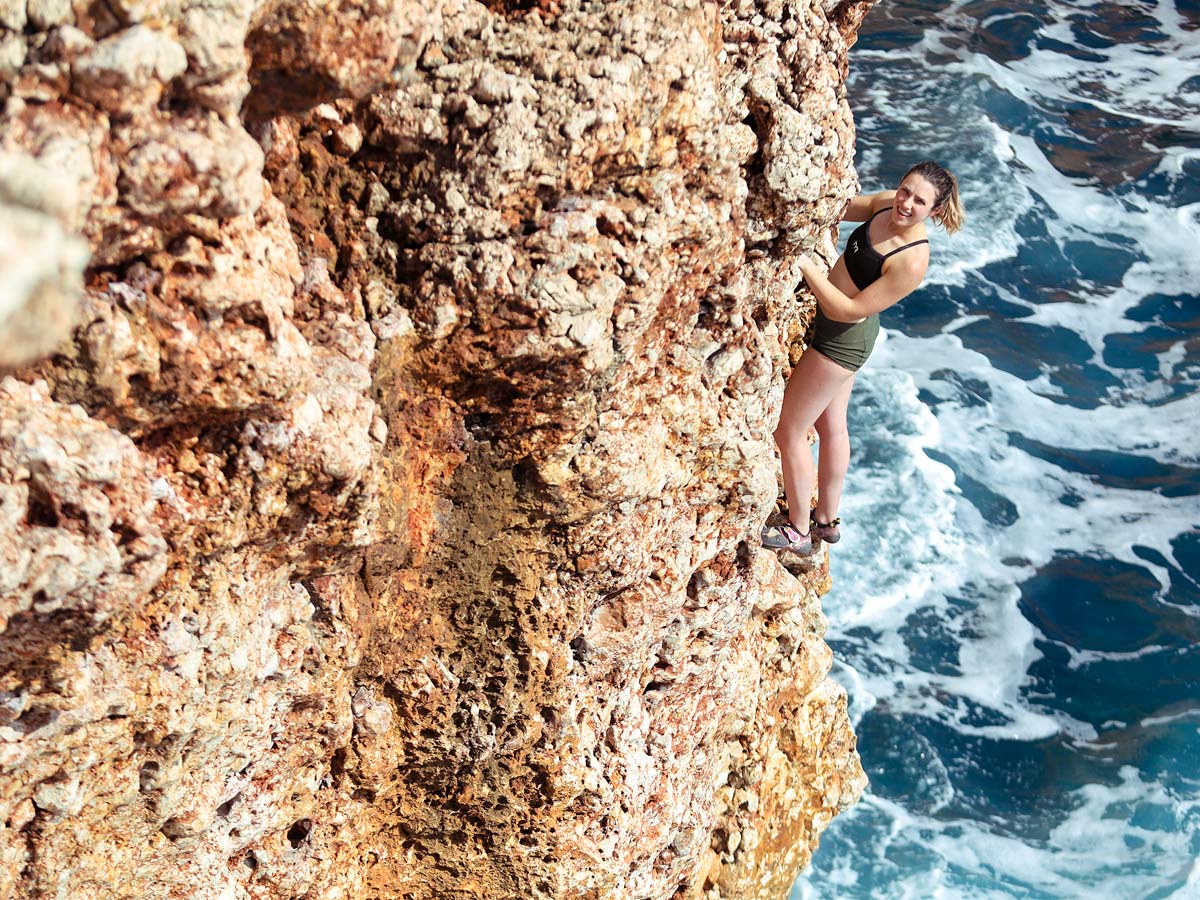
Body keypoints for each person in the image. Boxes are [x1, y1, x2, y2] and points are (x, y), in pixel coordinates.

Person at [762, 161, 965, 556]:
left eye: (919, 201)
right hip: (841, 335)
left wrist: (805, 265)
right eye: (905, 190)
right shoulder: (887, 205)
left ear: (935, 211)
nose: (905, 203)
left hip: (841, 341)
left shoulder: (912, 260)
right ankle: (826, 520)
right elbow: (839, 208)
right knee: (830, 423)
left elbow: (848, 310)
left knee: (788, 429)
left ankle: (799, 530)